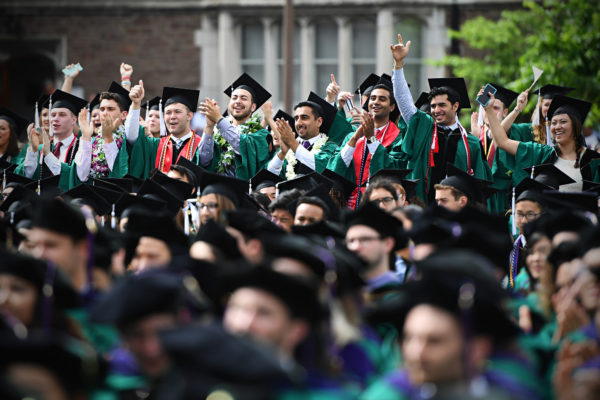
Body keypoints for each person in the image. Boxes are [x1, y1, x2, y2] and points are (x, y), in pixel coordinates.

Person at [390, 34, 492, 203]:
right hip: (422, 206)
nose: (436, 110)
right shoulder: (424, 129)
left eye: (442, 105)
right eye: (433, 106)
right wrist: (398, 64)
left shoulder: (471, 144)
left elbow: (478, 185)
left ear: (455, 106)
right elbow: (404, 102)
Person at [486, 92, 600, 191]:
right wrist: (489, 110)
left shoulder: (592, 161)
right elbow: (502, 142)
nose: (557, 126)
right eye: (554, 123)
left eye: (563, 121)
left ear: (576, 126)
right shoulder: (542, 153)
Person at [328, 76, 404, 208]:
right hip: (349, 203)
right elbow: (336, 168)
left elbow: (393, 168)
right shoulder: (352, 136)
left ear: (392, 107)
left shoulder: (398, 138)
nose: (376, 102)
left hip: (379, 203)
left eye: (382, 99)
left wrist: (371, 139)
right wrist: (354, 138)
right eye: (373, 98)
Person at [127, 82, 211, 178]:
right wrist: (135, 104)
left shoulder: (201, 145)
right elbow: (131, 137)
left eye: (177, 112)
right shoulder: (154, 145)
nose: (172, 117)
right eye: (168, 113)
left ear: (189, 115)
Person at [198, 72, 272, 179]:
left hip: (244, 191)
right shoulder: (217, 131)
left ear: (253, 107)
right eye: (234, 98)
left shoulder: (261, 134)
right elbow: (203, 160)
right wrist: (209, 127)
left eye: (243, 98)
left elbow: (241, 145)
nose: (238, 101)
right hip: (219, 189)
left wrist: (219, 119)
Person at [473, 83, 533, 213]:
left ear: (505, 112)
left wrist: (517, 108)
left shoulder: (515, 132)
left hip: (504, 196)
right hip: (479, 196)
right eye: (487, 108)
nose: (490, 111)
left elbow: (499, 135)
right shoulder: (476, 135)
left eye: (495, 108)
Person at [267, 93, 344, 180]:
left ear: (319, 121)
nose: (299, 123)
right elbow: (270, 175)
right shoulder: (289, 149)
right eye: (296, 118)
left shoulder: (330, 147)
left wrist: (292, 142)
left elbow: (317, 166)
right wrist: (283, 153)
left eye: (304, 117)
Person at [19, 90, 87, 186]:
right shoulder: (39, 149)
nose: (55, 118)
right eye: (53, 115)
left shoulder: (83, 148)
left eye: (62, 115)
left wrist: (48, 154)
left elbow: (76, 178)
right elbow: (25, 179)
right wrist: (33, 151)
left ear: (74, 120)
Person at [344, 202, 404, 297]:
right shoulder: (345, 295)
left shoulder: (401, 296)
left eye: (365, 239)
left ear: (388, 244)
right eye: (351, 241)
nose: (355, 247)